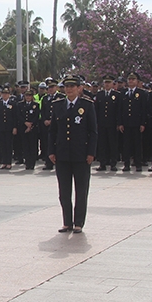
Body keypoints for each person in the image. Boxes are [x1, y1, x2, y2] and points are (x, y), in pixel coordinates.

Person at [49, 75, 98, 234]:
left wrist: (91, 152)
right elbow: (53, 131)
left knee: (81, 190)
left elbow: (93, 132)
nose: (69, 89)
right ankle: (67, 222)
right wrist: (51, 151)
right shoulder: (58, 105)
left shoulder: (87, 105)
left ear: (79, 88)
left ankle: (78, 223)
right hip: (62, 154)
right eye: (66, 86)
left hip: (81, 154)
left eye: (72, 86)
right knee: (64, 190)